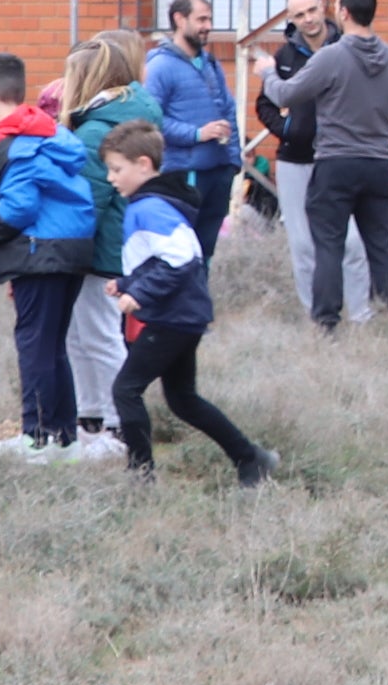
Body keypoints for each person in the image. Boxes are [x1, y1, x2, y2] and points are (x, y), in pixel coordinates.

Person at [100, 123, 272, 485]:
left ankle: (141, 476)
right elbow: (161, 259)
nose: (110, 177)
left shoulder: (151, 207)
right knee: (182, 399)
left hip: (171, 318)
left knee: (125, 390)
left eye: (117, 169)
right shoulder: (150, 204)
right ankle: (251, 458)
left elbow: (182, 259)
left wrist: (140, 294)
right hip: (181, 315)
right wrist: (128, 283)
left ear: (144, 165)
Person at [0, 55, 109, 461]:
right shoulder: (48, 132)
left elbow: (18, 206)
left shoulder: (16, 140)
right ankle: (63, 438)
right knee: (52, 345)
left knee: (34, 344)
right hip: (69, 247)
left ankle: (36, 437)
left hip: (40, 251)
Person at [266, 0, 388, 329]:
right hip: (378, 164)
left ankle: (327, 322)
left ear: (343, 13)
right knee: (380, 246)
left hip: (335, 165)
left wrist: (267, 73)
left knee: (328, 244)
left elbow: (286, 94)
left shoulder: (331, 57)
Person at [63, 35, 162, 441]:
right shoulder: (127, 118)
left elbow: (86, 201)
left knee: (97, 336)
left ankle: (118, 422)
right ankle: (93, 414)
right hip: (114, 244)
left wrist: (62, 245)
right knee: (85, 333)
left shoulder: (93, 134)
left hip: (98, 249)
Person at [257, 0, 373, 317]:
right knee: (303, 244)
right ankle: (314, 314)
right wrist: (288, 129)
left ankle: (360, 314)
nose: (308, 19)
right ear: (291, 19)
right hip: (295, 161)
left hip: (340, 159)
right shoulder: (285, 56)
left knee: (351, 241)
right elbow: (265, 102)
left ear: (323, 8)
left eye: (312, 10)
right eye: (299, 15)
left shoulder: (348, 49)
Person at [143, 0, 241, 248]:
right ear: (179, 19)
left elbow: (228, 109)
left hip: (218, 171)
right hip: (185, 174)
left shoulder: (210, 64)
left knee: (206, 249)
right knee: (183, 250)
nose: (207, 26)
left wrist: (233, 161)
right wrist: (197, 134)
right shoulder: (159, 66)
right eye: (201, 19)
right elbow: (150, 120)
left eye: (209, 19)